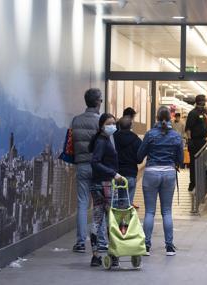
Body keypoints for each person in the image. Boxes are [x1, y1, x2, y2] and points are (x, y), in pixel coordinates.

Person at [137, 106, 184, 256]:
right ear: (170, 118)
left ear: (156, 118)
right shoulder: (176, 136)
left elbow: (139, 156)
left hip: (151, 172)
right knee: (167, 212)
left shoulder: (150, 134)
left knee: (150, 212)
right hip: (169, 173)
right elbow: (181, 160)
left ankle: (146, 246)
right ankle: (169, 247)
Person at [88, 113, 125, 267]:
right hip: (106, 184)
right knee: (112, 219)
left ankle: (95, 255)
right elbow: (95, 162)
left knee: (97, 218)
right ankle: (113, 254)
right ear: (102, 125)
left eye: (114, 123)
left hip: (96, 184)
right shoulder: (103, 142)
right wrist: (113, 173)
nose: (112, 126)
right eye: (109, 123)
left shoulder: (98, 140)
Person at [71, 88, 102, 253]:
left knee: (82, 204)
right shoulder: (100, 122)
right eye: (101, 100)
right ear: (97, 102)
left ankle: (81, 242)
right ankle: (100, 241)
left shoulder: (76, 121)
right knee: (99, 204)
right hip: (97, 167)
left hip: (82, 165)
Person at [113, 116, 143, 207]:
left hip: (116, 174)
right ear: (131, 126)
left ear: (119, 126)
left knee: (118, 200)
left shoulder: (113, 138)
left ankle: (118, 219)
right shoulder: (136, 140)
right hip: (131, 173)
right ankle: (125, 220)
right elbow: (139, 159)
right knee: (128, 202)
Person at [185, 94, 207, 192]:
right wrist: (190, 140)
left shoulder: (202, 114)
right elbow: (188, 129)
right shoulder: (193, 113)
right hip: (195, 142)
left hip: (202, 141)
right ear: (198, 102)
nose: (204, 102)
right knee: (194, 164)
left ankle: (199, 183)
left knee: (201, 163)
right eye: (202, 101)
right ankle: (192, 183)